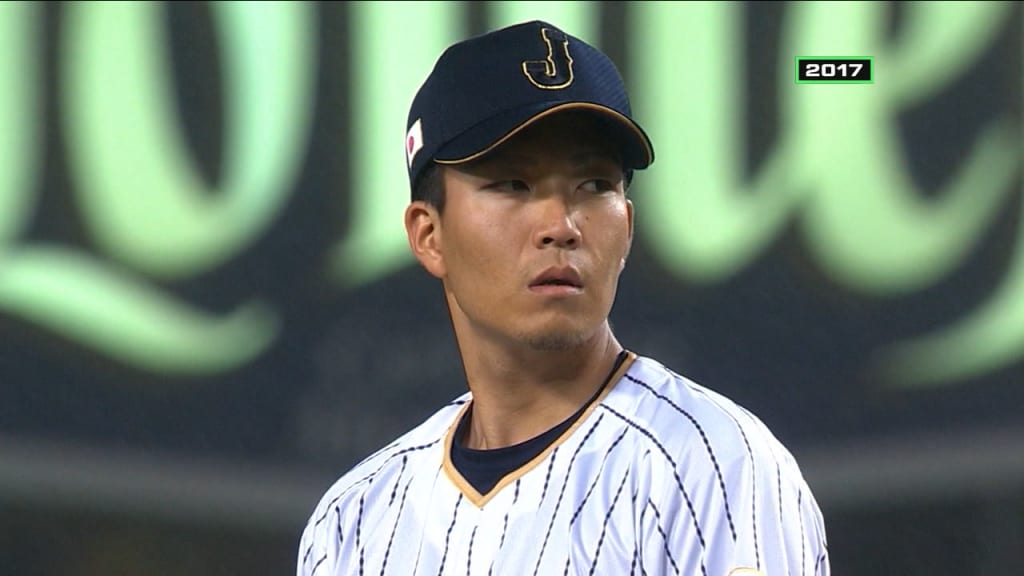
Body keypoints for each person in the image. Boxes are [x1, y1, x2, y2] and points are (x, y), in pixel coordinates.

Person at [298, 19, 830, 576]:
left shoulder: (711, 465)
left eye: (595, 185)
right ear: (430, 236)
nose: (561, 225)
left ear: (626, 227)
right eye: (512, 185)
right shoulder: (354, 521)